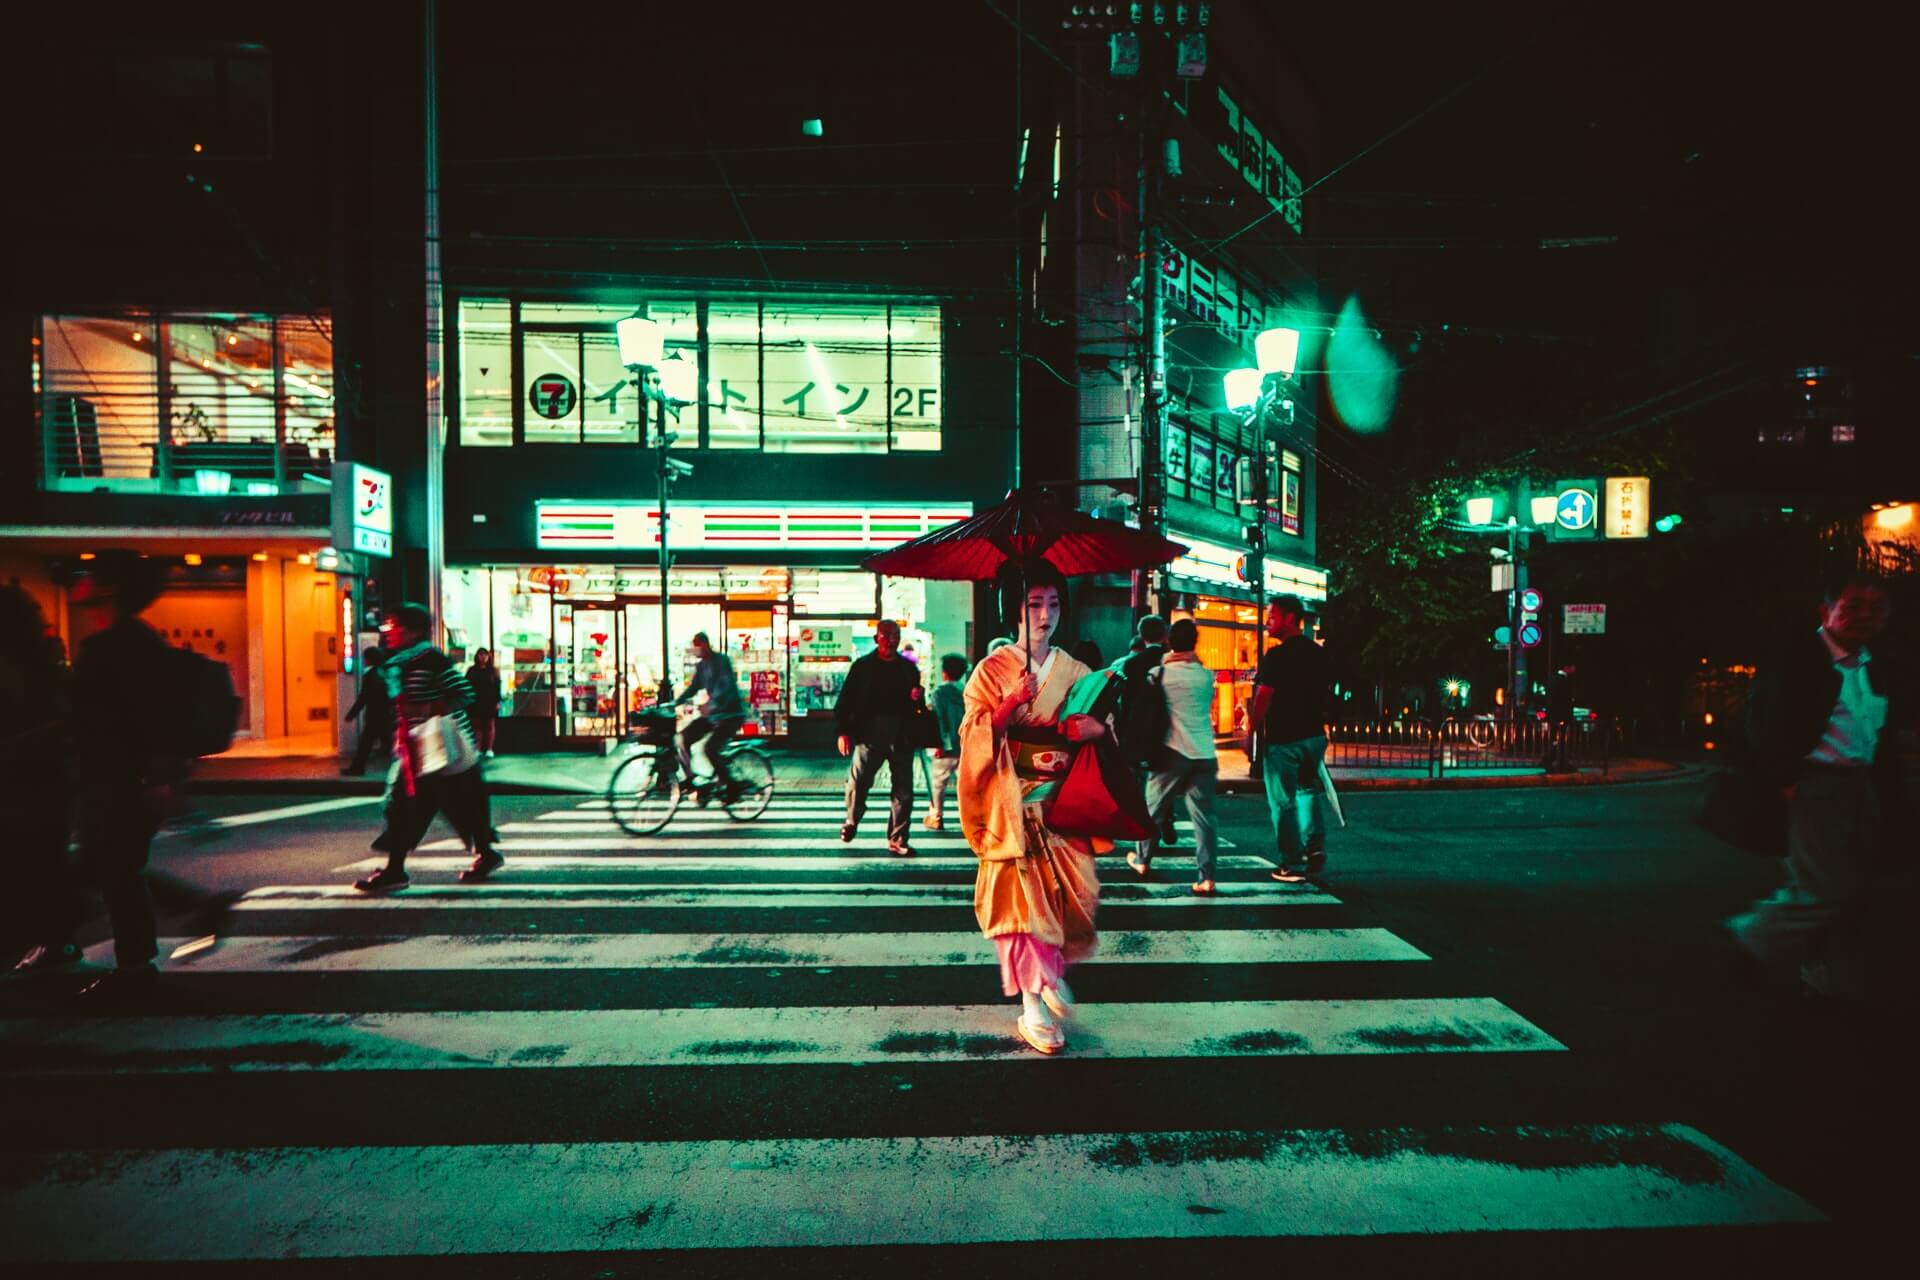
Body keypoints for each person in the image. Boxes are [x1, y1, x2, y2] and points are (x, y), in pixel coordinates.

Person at [65, 552, 236, 1001]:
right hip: (123, 777)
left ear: (110, 589)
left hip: (120, 779)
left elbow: (142, 717)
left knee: (113, 870)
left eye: (92, 574)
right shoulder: (131, 641)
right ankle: (85, 946)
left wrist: (160, 779)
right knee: (110, 868)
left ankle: (138, 963)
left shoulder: (114, 647)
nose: (81, 581)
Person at [959, 560, 1109, 1055]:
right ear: (1013, 611)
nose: (1045, 616)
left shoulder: (1077, 672)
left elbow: (1105, 728)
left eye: (1053, 604)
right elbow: (972, 737)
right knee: (1021, 909)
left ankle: (1050, 972)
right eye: (1033, 604)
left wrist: (1097, 731)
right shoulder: (990, 671)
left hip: (1061, 807)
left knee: (1072, 898)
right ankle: (1032, 1001)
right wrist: (1006, 709)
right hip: (1011, 807)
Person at [1730, 576, 1903, 1002]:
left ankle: (1825, 975)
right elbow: (1763, 726)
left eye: (1875, 607)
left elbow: (1880, 731)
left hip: (1859, 788)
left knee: (1853, 886)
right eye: (1853, 605)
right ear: (1826, 611)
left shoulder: (1871, 662)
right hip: (1815, 786)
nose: (1864, 615)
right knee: (1822, 889)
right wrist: (1786, 781)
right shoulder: (1798, 659)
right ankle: (1745, 944)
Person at [352, 604, 501, 892]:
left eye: (398, 627)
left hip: (442, 748)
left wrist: (426, 711)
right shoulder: (399, 663)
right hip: (420, 749)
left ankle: (396, 871)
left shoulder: (432, 660)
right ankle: (484, 852)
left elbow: (463, 693)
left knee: (409, 806)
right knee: (446, 806)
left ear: (416, 630)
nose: (392, 633)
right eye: (391, 627)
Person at [2, 585, 82, 972]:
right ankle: (55, 940)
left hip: (26, 779)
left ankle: (45, 942)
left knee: (30, 862)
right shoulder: (46, 662)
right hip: (48, 780)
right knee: (45, 861)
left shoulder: (26, 667)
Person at [1126, 619, 1221, 893]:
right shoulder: (1206, 675)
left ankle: (1143, 859)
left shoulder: (1161, 673)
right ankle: (1207, 877)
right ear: (1195, 643)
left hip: (1172, 752)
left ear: (1169, 641)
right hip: (1204, 754)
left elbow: (1147, 706)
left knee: (1153, 810)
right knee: (1204, 818)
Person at [1253, 595, 1335, 883]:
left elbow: (1264, 696)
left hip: (1284, 737)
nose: (1267, 622)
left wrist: (1253, 729)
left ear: (1289, 618)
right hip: (1313, 735)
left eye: (1272, 615)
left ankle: (1291, 861)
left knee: (1283, 801)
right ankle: (1314, 847)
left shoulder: (1276, 657)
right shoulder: (1319, 653)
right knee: (1307, 791)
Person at [836, 619, 923, 856]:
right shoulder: (862, 667)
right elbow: (846, 700)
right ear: (876, 639)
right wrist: (843, 731)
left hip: (901, 734)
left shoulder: (908, 668)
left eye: (895, 635)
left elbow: (918, 706)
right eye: (886, 636)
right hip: (869, 733)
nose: (891, 640)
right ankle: (852, 819)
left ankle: (898, 838)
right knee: (858, 782)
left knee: (903, 790)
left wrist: (917, 698)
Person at [1115, 614, 1179, 847]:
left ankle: (1148, 827)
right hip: (1168, 729)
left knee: (1143, 783)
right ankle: (1167, 819)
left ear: (1141, 637)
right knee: (1164, 778)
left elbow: (1125, 702)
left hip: (1138, 731)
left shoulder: (1131, 665)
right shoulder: (1170, 662)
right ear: (1164, 636)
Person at [674, 631, 747, 802]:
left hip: (731, 714)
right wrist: (676, 702)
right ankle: (691, 779)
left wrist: (712, 704)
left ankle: (732, 787)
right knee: (684, 737)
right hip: (714, 714)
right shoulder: (702, 666)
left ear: (706, 644)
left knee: (710, 748)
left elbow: (726, 687)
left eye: (699, 645)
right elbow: (694, 687)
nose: (697, 649)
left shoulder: (721, 661)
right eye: (695, 645)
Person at [924, 654, 969, 831]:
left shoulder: (938, 693)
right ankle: (968, 818)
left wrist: (939, 744)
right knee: (965, 786)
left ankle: (936, 816)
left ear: (944, 673)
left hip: (944, 747)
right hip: (964, 746)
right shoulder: (967, 691)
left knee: (938, 784)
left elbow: (938, 719)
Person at [342, 648, 393, 776]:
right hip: (384, 715)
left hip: (374, 716)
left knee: (365, 744)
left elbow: (364, 697)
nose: (363, 661)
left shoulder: (370, 675)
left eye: (365, 658)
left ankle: (357, 768)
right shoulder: (382, 673)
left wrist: (352, 714)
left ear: (369, 659)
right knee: (386, 744)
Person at [465, 647, 503, 759]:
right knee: (477, 726)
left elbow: (497, 687)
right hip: (476, 701)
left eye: (485, 655)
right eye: (481, 655)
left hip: (489, 701)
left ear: (488, 657)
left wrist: (498, 701)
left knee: (489, 725)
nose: (483, 657)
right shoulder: (472, 670)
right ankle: (478, 748)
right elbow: (467, 685)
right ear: (477, 656)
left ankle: (489, 749)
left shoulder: (493, 671)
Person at [1543, 663, 1577, 772]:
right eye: (1572, 667)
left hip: (1553, 716)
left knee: (1556, 740)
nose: (1574, 669)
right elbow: (1564, 701)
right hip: (1560, 716)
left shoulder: (1552, 679)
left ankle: (1556, 762)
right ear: (1566, 667)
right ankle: (1552, 761)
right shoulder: (1563, 681)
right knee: (1561, 741)